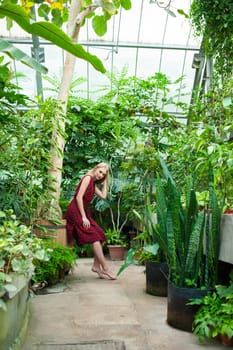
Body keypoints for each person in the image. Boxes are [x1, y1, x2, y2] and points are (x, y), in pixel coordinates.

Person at [65, 162, 116, 280]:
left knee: (101, 236)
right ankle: (106, 268)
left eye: (103, 175)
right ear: (96, 168)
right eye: (100, 172)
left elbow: (103, 196)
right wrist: (83, 217)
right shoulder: (87, 178)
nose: (101, 175)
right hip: (76, 211)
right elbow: (78, 197)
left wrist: (106, 181)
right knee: (95, 237)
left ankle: (96, 266)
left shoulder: (92, 183)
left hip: (83, 211)